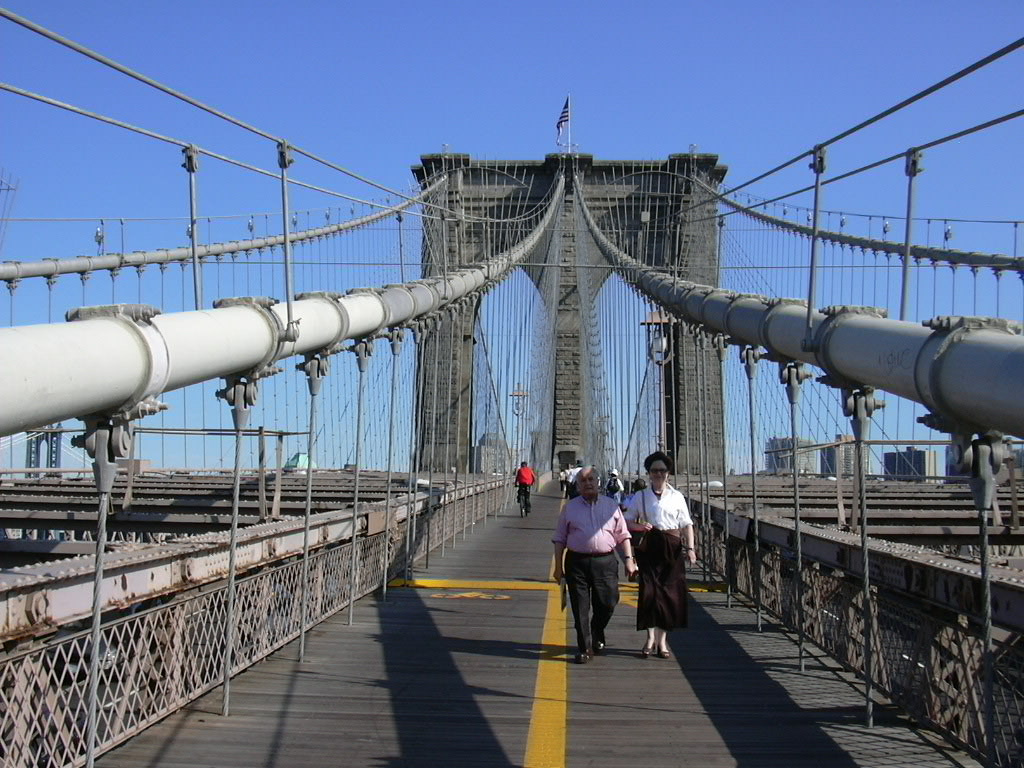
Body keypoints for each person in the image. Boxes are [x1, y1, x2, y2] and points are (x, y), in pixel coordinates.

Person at [552, 466, 638, 664]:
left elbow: (623, 535)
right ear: (578, 485)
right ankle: (585, 647)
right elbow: (559, 539)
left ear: (598, 482)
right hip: (576, 562)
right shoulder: (570, 508)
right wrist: (558, 568)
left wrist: (629, 560)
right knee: (579, 608)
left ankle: (597, 630)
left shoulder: (611, 506)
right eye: (583, 480)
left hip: (605, 561)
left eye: (591, 479)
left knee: (609, 602)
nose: (588, 483)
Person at [624, 451, 696, 659]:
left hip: (672, 547)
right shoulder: (641, 496)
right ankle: (649, 638)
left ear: (668, 473)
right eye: (654, 470)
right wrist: (638, 525)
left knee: (669, 594)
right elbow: (626, 520)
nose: (658, 474)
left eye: (662, 470)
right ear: (649, 473)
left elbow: (687, 524)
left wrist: (690, 549)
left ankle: (663, 642)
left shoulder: (677, 497)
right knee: (649, 592)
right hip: (650, 546)